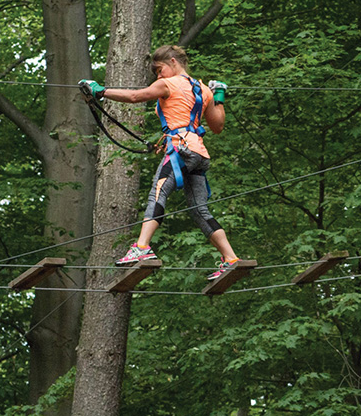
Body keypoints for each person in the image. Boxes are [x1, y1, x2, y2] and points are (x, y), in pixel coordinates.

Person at [79, 45, 242, 280]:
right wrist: (218, 98)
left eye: (159, 69)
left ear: (173, 62)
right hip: (199, 153)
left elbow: (136, 97)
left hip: (182, 151)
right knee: (199, 209)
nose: (158, 75)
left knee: (157, 194)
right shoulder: (202, 89)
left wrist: (101, 92)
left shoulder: (169, 84)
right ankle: (231, 258)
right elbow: (217, 127)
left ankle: (142, 247)